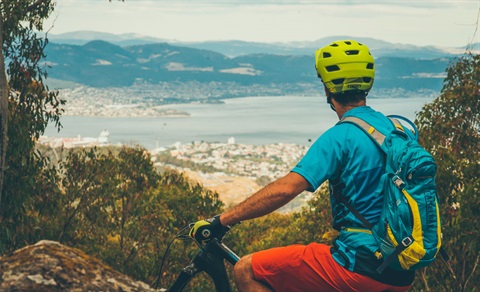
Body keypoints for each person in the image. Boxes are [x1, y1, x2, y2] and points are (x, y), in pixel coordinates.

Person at [189, 40, 415, 292]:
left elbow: (286, 189)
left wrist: (222, 221)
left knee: (247, 269)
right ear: (368, 85)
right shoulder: (399, 130)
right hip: (402, 267)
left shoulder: (341, 136)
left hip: (358, 265)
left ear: (328, 89)